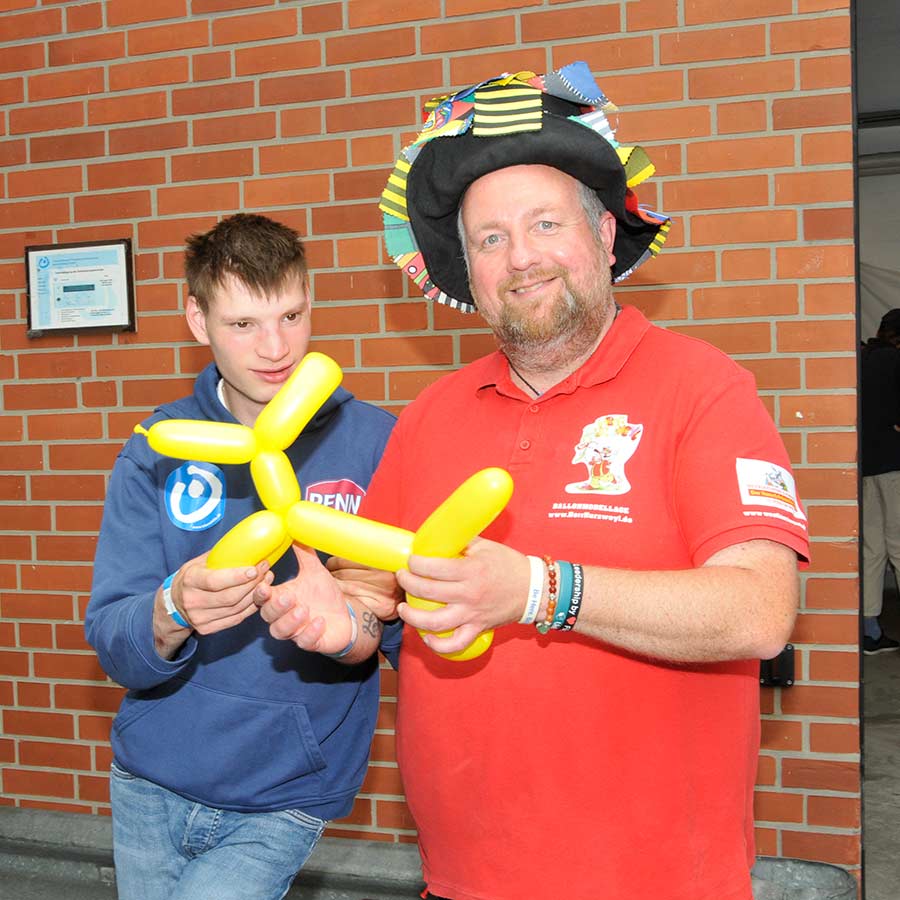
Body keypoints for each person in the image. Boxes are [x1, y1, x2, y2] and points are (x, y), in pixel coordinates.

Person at [255, 64, 810, 900]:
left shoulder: (705, 388)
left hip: (657, 882)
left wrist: (539, 590)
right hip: (462, 879)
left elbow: (760, 612)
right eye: (489, 239)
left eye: (545, 223)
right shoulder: (434, 413)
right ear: (468, 272)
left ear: (603, 237)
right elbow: (374, 592)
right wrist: (343, 621)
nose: (520, 258)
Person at [85, 213, 399, 900]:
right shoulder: (158, 447)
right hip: (151, 777)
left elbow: (410, 632)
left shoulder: (380, 443)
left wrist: (350, 631)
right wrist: (173, 610)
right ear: (198, 320)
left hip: (287, 788)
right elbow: (112, 638)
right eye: (244, 324)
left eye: (292, 315)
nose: (276, 347)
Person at [860, 308, 900, 653]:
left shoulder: (863, 357)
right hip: (894, 465)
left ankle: (869, 630)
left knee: (873, 549)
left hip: (865, 465)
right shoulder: (895, 362)